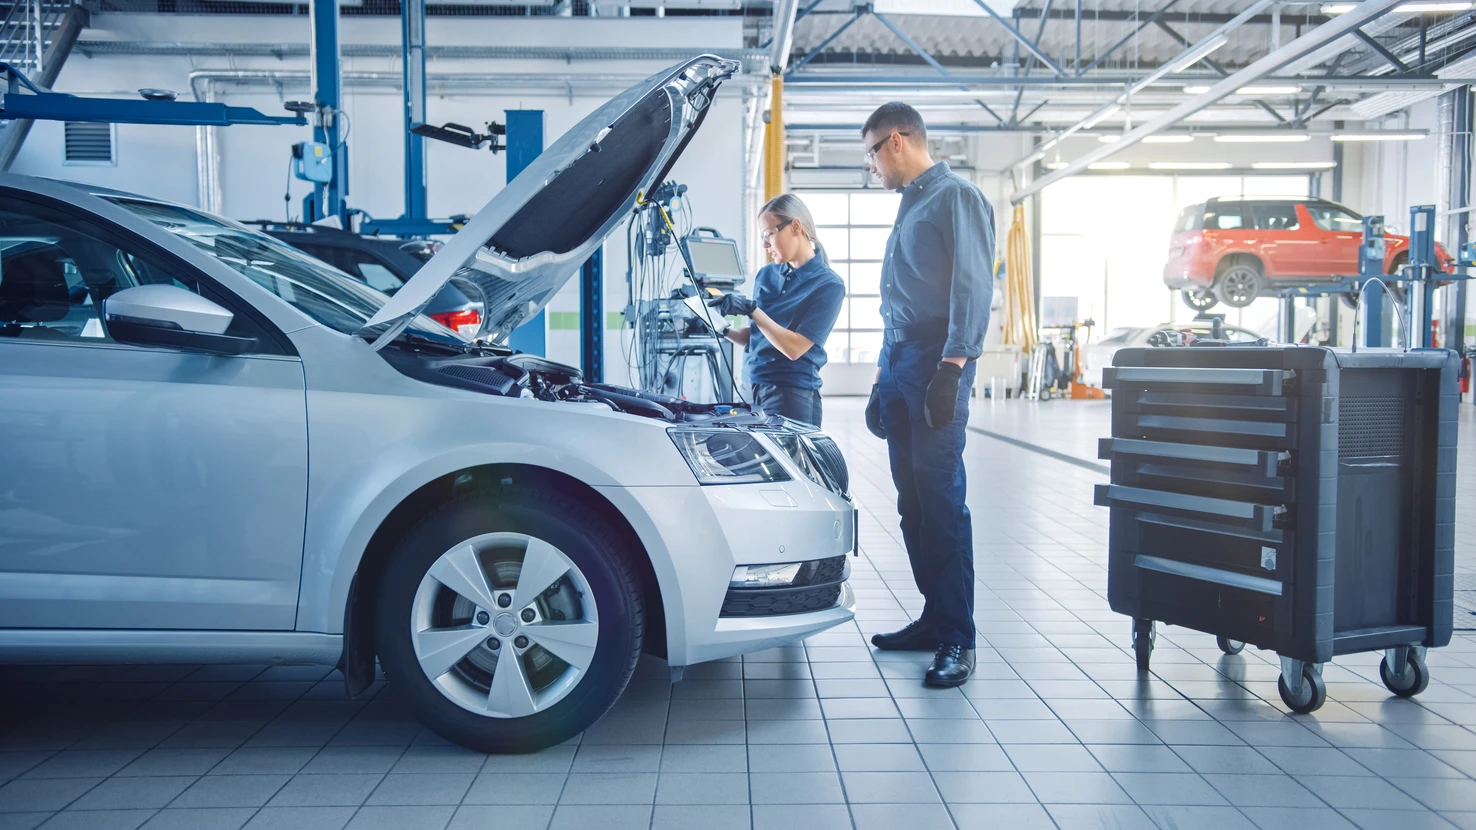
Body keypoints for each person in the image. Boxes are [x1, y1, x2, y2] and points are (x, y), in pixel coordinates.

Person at [861, 102, 995, 688]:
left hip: (935, 359)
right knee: (910, 503)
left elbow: (972, 287)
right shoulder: (912, 203)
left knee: (940, 502)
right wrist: (879, 379)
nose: (870, 167)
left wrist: (952, 369)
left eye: (870, 153)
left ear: (896, 141)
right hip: (898, 359)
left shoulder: (955, 197)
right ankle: (933, 618)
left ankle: (957, 639)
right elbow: (899, 300)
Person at [707, 194, 845, 426]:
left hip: (791, 394)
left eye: (769, 234)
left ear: (795, 227)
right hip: (750, 387)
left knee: (789, 462)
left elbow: (794, 348)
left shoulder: (828, 285)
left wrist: (752, 311)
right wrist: (718, 326)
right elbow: (759, 337)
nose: (765, 244)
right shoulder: (766, 274)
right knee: (748, 462)